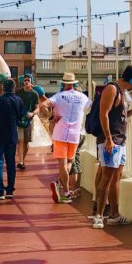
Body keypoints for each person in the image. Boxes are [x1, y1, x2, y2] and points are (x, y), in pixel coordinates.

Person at [93, 65, 132, 228]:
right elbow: (104, 113)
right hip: (111, 140)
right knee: (106, 178)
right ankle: (99, 216)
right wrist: (108, 138)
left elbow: (118, 117)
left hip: (120, 141)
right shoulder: (112, 89)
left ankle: (114, 214)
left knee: (116, 177)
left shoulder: (123, 93)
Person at [46, 72, 92, 203]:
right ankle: (64, 188)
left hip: (60, 133)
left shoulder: (59, 96)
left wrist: (50, 116)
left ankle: (65, 191)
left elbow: (45, 105)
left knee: (63, 164)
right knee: (71, 162)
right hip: (76, 134)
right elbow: (92, 107)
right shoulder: (82, 97)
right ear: (74, 83)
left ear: (63, 83)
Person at [0, 78, 25, 200]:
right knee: (11, 163)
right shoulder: (18, 100)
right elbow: (20, 117)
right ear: (14, 88)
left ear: (3, 87)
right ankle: (10, 190)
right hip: (12, 136)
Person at [16, 75, 42, 169]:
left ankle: (22, 160)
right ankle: (20, 161)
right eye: (25, 80)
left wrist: (32, 114)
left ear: (31, 81)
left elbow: (37, 108)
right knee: (20, 141)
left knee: (26, 141)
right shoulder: (18, 92)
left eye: (28, 80)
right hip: (19, 119)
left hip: (29, 120)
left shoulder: (34, 93)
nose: (26, 82)